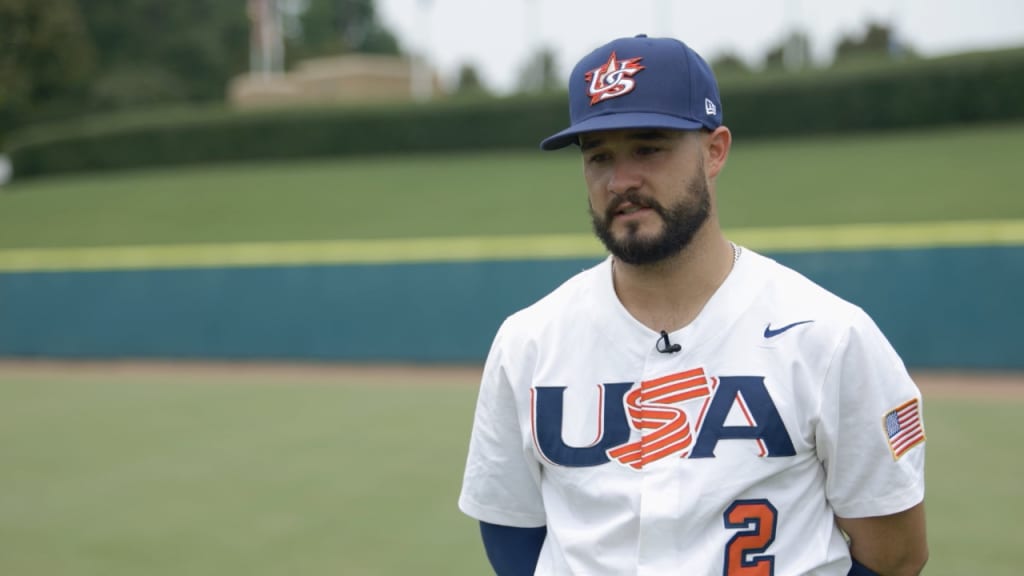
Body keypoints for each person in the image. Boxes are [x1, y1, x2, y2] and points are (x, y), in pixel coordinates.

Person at [458, 34, 927, 576]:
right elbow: (510, 528)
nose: (620, 179)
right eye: (598, 156)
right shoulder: (528, 342)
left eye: (648, 147)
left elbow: (895, 554)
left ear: (715, 150)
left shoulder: (829, 335)